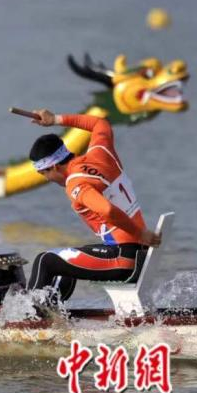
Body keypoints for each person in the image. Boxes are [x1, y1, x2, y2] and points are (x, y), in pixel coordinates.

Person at [25, 109, 162, 304]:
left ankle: (28, 315)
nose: (47, 179)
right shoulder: (101, 153)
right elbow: (99, 123)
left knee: (44, 260)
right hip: (138, 252)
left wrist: (140, 233)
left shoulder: (76, 183)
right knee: (66, 259)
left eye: (44, 173)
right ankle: (51, 313)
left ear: (54, 166)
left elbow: (106, 209)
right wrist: (55, 119)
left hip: (123, 260)